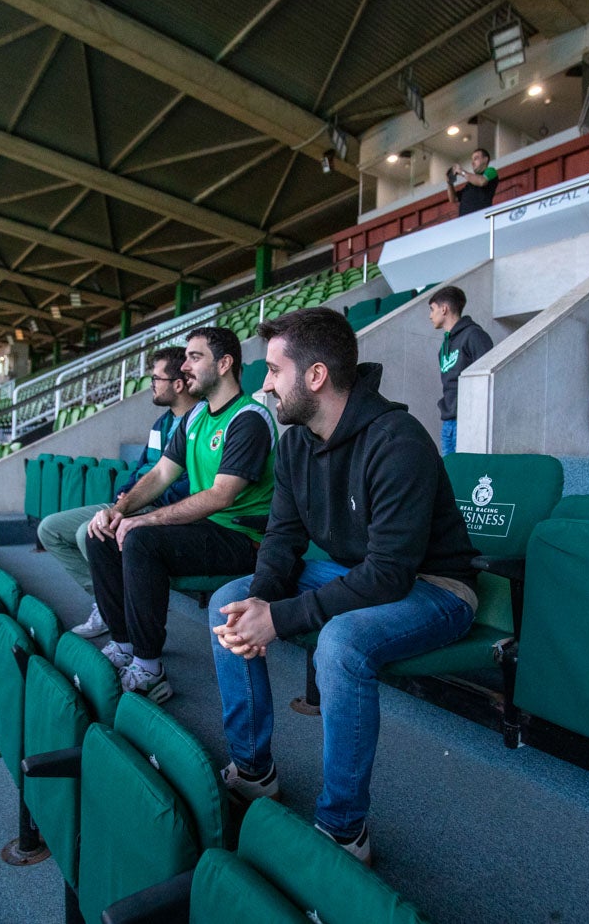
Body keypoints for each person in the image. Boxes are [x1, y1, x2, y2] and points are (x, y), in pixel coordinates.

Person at [209, 308, 478, 864]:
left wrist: (280, 620)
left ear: (314, 377)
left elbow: (390, 574)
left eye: (274, 371)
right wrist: (260, 601)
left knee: (342, 643)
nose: (265, 386)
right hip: (360, 573)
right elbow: (281, 539)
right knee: (228, 601)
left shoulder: (397, 439)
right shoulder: (295, 444)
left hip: (437, 588)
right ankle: (254, 771)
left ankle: (343, 830)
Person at [85, 326, 276, 703]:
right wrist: (118, 511)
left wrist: (145, 520)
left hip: (244, 537)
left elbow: (221, 496)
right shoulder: (196, 416)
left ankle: (149, 667)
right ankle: (124, 643)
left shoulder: (248, 418)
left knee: (140, 538)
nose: (184, 366)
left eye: (194, 357)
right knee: (103, 532)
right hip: (206, 528)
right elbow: (160, 474)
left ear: (224, 364)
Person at [36, 346, 196, 638]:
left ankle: (119, 613)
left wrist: (140, 502)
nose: (151, 385)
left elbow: (191, 483)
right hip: (134, 501)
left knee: (91, 531)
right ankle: (106, 601)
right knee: (50, 529)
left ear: (178, 383)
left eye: (156, 379)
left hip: (161, 507)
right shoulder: (162, 422)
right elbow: (141, 469)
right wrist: (126, 494)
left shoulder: (199, 423)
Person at [428, 285, 494, 456]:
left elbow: (488, 376)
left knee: (465, 474)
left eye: (432, 309)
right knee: (450, 474)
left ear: (444, 309)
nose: (430, 315)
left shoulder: (474, 335)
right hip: (449, 420)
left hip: (467, 420)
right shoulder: (445, 345)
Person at [445, 148, 499, 216]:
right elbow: (453, 199)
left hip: (480, 218)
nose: (472, 163)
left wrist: (461, 171)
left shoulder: (491, 170)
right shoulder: (470, 183)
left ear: (485, 159)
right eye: (472, 160)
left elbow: (482, 181)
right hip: (465, 221)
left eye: (476, 159)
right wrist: (450, 183)